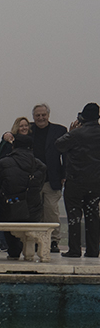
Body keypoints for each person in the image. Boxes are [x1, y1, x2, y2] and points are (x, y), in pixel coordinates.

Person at [55, 103, 100, 259]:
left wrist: (71, 131)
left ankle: (74, 250)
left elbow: (59, 145)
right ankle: (93, 250)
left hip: (75, 181)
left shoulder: (76, 134)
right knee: (93, 215)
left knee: (74, 215)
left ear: (83, 117)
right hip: (96, 183)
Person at [0, 132, 46, 259]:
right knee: (31, 208)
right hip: (32, 211)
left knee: (3, 206)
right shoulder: (40, 166)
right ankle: (28, 249)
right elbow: (39, 186)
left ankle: (13, 249)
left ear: (13, 146)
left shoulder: (3, 163)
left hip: (10, 210)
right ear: (31, 148)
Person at [30, 103, 68, 253]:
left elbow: (66, 155)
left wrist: (64, 175)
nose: (41, 118)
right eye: (38, 115)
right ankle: (37, 240)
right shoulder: (28, 130)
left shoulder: (59, 131)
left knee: (51, 211)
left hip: (53, 179)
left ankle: (53, 241)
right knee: (36, 212)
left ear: (48, 115)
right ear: (34, 117)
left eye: (43, 115)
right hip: (33, 180)